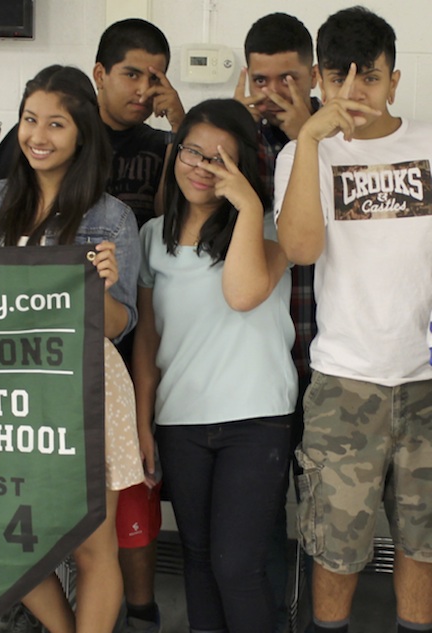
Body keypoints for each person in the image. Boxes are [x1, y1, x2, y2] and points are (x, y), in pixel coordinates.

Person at [274, 7, 432, 633]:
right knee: (334, 549)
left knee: (424, 543)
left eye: (370, 76)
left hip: (426, 380)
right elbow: (300, 249)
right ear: (319, 77)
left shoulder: (429, 145)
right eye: (339, 76)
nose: (354, 92)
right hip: (345, 384)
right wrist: (312, 142)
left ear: (395, 80)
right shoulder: (301, 155)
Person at [0, 64, 143, 633]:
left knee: (94, 547)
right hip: (5, 392)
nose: (38, 135)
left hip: (84, 389)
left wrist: (103, 288)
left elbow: (119, 324)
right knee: (5, 535)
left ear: (81, 134)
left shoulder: (112, 217)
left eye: (56, 124)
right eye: (29, 120)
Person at [134, 99, 297, 633]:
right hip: (181, 420)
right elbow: (147, 341)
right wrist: (143, 424)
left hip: (255, 419)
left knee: (238, 567)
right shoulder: (152, 236)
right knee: (199, 562)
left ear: (242, 166)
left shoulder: (272, 228)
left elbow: (243, 294)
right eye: (193, 152)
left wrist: (247, 206)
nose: (202, 167)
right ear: (175, 153)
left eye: (220, 159)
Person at [234, 13, 320, 630]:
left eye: (287, 78)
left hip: (326, 355)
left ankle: (314, 616)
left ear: (313, 75)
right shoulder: (240, 141)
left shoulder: (342, 137)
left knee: (322, 514)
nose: (272, 93)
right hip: (257, 363)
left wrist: (305, 141)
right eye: (260, 80)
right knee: (260, 514)